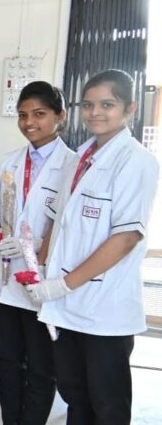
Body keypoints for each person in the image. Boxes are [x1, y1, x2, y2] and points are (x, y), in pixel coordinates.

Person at [27, 69, 159, 424]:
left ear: (130, 109)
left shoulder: (135, 161)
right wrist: (41, 262)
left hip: (104, 306)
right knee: (75, 397)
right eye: (88, 105)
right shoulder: (80, 157)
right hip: (68, 304)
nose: (95, 113)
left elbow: (126, 237)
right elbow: (60, 220)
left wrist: (63, 284)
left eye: (107, 104)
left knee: (108, 404)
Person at [0, 81, 73, 425]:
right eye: (22, 115)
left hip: (42, 280)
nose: (29, 122)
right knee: (7, 363)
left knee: (40, 366)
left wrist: (35, 245)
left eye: (39, 114)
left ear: (60, 116)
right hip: (3, 277)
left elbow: (71, 225)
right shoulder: (9, 162)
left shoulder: (72, 165)